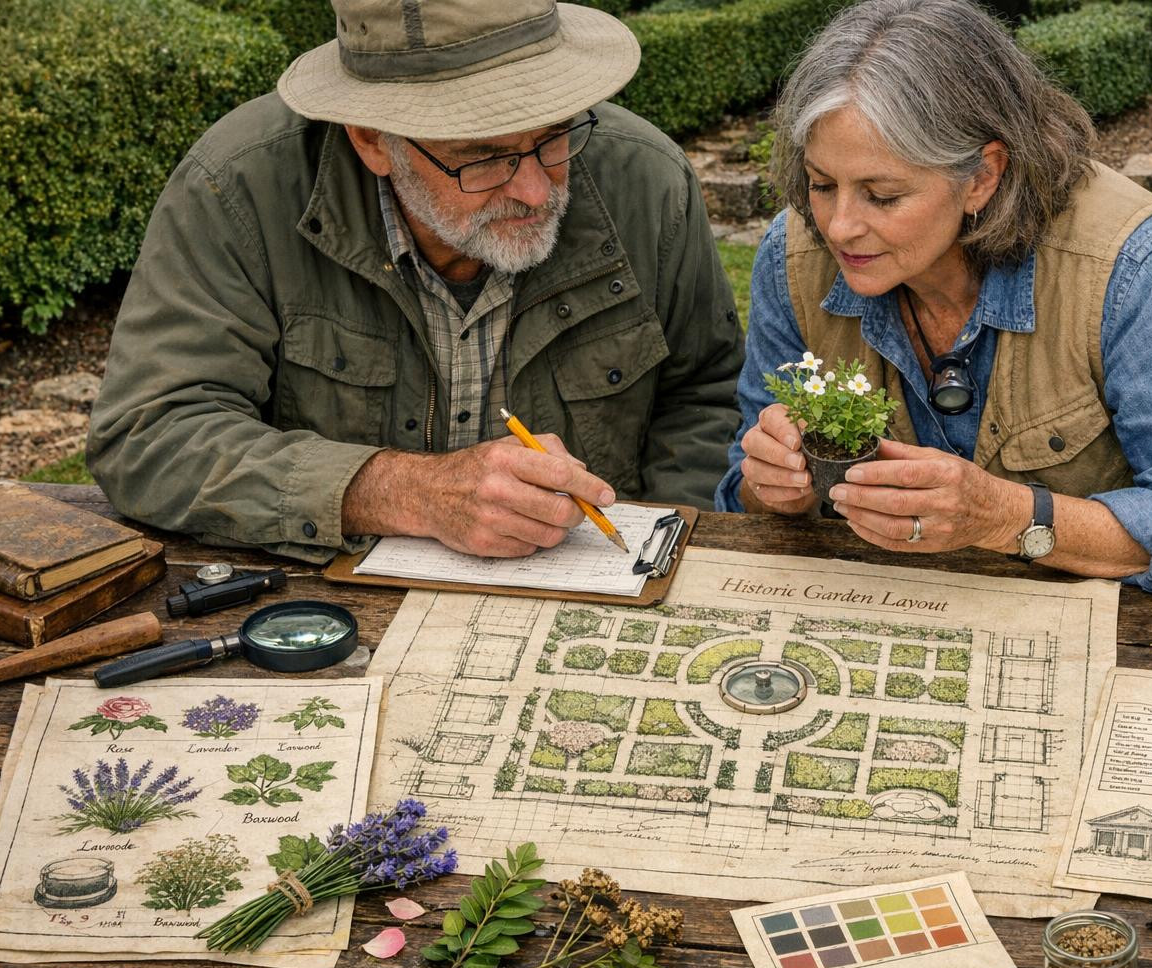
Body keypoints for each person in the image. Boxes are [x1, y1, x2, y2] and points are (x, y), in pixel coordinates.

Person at [88, 0, 742, 562]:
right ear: (372, 140)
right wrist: (400, 492)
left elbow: (709, 394)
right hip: (330, 605)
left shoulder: (649, 183)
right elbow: (152, 433)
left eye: (554, 137)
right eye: (483, 155)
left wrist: (658, 550)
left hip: (590, 587)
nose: (536, 190)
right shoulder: (239, 189)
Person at [717, 0, 1152, 591]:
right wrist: (774, 485)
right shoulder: (793, 254)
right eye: (822, 184)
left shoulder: (1129, 261)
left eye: (883, 195)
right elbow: (743, 496)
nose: (839, 226)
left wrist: (1005, 516)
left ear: (982, 176)